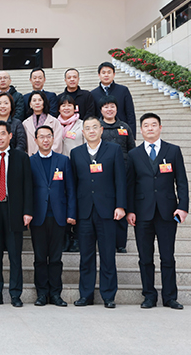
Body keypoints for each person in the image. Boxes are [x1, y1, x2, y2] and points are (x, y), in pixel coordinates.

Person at [126, 113, 188, 310]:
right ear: (141, 130)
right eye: (146, 125)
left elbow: (182, 181)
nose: (150, 128)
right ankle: (149, 296)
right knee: (145, 258)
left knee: (167, 257)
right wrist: (130, 210)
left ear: (160, 128)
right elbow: (130, 185)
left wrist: (183, 207)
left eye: (154, 125)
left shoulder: (173, 151)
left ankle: (170, 297)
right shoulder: (134, 154)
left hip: (167, 212)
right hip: (142, 212)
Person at [70, 116, 127, 308]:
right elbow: (73, 185)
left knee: (108, 255)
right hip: (84, 212)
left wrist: (121, 206)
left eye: (95, 127)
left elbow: (120, 180)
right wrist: (73, 212)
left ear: (101, 130)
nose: (91, 131)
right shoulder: (76, 153)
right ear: (83, 132)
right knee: (86, 256)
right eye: (87, 128)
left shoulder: (114, 150)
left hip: (108, 211)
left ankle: (108, 296)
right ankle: (86, 295)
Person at [0, 121, 33, 308]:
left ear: (10, 136)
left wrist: (27, 211)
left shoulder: (21, 157)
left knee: (15, 256)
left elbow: (28, 186)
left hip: (14, 211)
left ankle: (15, 294)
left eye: (3, 134)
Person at [28, 125, 76, 307]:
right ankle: (41, 294)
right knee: (40, 258)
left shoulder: (63, 160)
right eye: (41, 137)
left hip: (59, 216)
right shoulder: (30, 161)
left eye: (48, 136)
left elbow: (70, 189)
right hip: (38, 216)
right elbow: (27, 191)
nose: (45, 140)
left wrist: (71, 213)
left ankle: (56, 294)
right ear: (36, 140)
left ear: (54, 138)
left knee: (56, 258)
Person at [99, 95, 136, 254]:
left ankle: (121, 243)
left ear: (117, 108)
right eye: (106, 106)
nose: (109, 109)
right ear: (101, 109)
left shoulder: (124, 127)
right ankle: (105, 241)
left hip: (124, 173)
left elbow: (132, 149)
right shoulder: (97, 127)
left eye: (112, 106)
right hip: (103, 174)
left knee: (122, 204)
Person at [56, 95, 84, 254]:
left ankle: (76, 237)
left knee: (77, 200)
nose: (66, 108)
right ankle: (65, 235)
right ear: (59, 108)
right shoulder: (54, 123)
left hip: (77, 168)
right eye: (63, 105)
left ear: (75, 108)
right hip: (59, 169)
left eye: (69, 105)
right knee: (62, 201)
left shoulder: (82, 124)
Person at [90, 61, 136, 138]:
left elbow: (130, 114)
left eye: (109, 72)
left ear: (114, 74)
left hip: (121, 131)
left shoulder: (123, 90)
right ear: (99, 75)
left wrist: (132, 135)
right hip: (101, 133)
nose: (106, 75)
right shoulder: (93, 93)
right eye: (103, 72)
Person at [23, 91, 63, 156]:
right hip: (31, 158)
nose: (37, 103)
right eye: (34, 100)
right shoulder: (25, 123)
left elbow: (57, 144)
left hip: (50, 157)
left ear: (44, 102)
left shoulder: (54, 122)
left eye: (40, 100)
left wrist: (45, 155)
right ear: (30, 104)